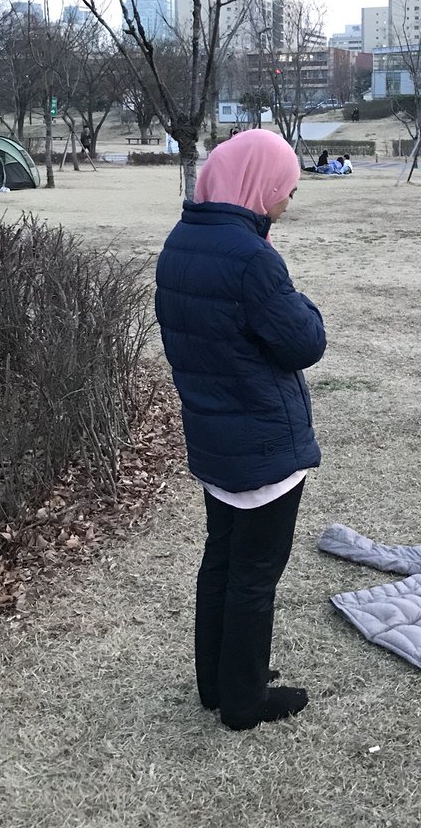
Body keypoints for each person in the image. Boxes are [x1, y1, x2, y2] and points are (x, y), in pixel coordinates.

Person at [155, 130, 326, 731]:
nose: (287, 201)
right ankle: (245, 701)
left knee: (222, 560)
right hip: (260, 443)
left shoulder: (182, 240)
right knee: (254, 574)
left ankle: (216, 682)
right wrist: (298, 298)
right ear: (257, 185)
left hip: (212, 433)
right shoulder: (253, 259)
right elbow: (305, 342)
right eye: (285, 189)